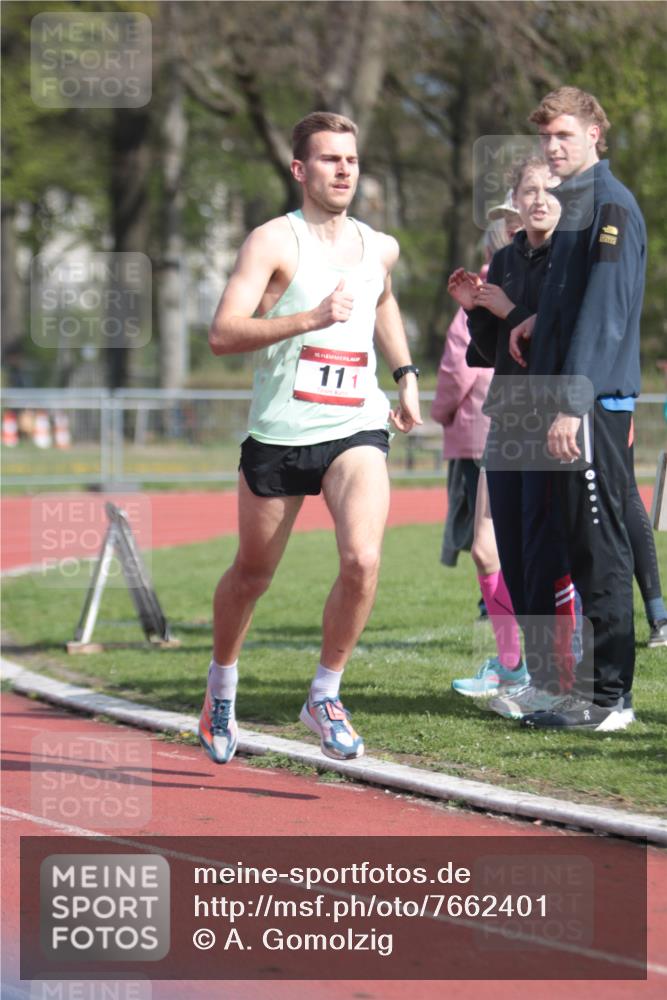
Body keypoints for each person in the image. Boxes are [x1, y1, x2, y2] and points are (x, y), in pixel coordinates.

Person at [199, 111, 421, 764]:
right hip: (278, 433)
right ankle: (220, 687)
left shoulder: (379, 247)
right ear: (300, 170)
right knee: (251, 574)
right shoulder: (273, 243)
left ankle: (324, 694)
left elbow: (381, 299)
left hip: (355, 424)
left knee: (362, 559)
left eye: (350, 158)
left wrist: (404, 373)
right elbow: (222, 333)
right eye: (329, 159)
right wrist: (309, 317)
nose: (344, 169)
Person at [510, 86, 647, 730]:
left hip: (588, 408)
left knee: (600, 549)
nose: (552, 147)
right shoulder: (573, 209)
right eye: (546, 138)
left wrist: (569, 404)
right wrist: (537, 319)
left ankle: (610, 699)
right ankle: (586, 690)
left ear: (597, 132)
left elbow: (607, 316)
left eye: (564, 135)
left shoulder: (610, 206)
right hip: (564, 403)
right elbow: (575, 304)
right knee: (570, 543)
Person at [448, 156, 573, 710]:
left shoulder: (571, 257)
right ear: (514, 202)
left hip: (555, 411)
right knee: (513, 554)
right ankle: (531, 677)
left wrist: (510, 306)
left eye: (548, 191)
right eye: (528, 192)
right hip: (508, 412)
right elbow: (484, 351)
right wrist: (475, 308)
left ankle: (563, 680)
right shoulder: (503, 260)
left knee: (553, 552)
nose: (537, 200)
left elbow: (563, 335)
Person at [434, 218, 524, 695]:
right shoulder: (489, 284)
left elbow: (455, 364)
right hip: (497, 423)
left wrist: (439, 412)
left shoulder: (538, 277)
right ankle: (514, 665)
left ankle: (560, 670)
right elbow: (472, 352)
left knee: (537, 551)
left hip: (518, 426)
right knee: (485, 547)